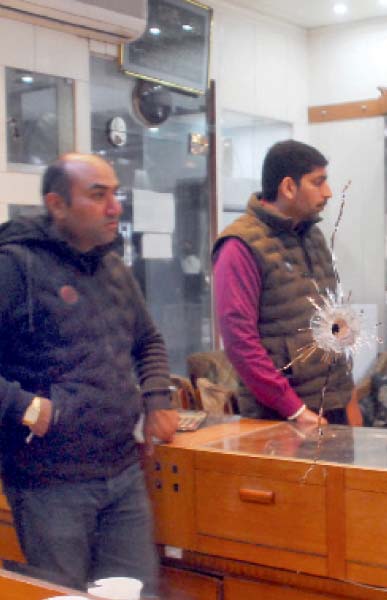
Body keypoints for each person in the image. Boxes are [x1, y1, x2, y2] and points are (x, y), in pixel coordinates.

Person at [0, 153, 179, 595]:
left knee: (136, 593)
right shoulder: (15, 265)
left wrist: (157, 396)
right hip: (50, 485)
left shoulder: (114, 267)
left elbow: (148, 340)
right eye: (98, 195)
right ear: (57, 205)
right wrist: (24, 407)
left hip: (121, 471)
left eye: (115, 193)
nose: (114, 206)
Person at [213, 140, 353, 426]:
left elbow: (333, 322)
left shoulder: (313, 236)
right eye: (318, 182)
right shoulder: (240, 245)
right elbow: (240, 342)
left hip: (331, 406)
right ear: (288, 187)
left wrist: (348, 397)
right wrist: (294, 409)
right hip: (280, 417)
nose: (328, 193)